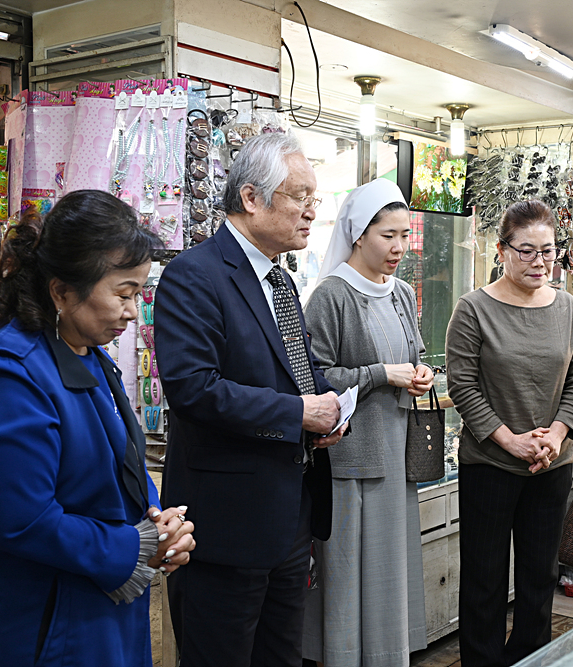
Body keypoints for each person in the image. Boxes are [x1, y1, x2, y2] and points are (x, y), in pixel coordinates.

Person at [0, 190, 195, 667]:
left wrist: (159, 524)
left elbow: (122, 465)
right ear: (61, 291)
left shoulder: (88, 355)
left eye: (137, 294)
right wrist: (135, 545)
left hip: (99, 611)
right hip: (38, 625)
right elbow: (24, 520)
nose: (132, 311)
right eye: (123, 293)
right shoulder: (10, 374)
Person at [154, 132, 347, 667]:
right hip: (225, 526)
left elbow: (300, 370)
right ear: (251, 198)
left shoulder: (280, 280)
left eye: (314, 199)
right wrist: (296, 413)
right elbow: (194, 388)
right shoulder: (195, 274)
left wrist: (330, 408)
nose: (312, 211)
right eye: (300, 196)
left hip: (290, 518)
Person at [445, 200, 573, 667]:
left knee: (539, 577)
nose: (539, 261)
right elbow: (462, 385)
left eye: (547, 251)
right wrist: (509, 439)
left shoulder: (567, 307)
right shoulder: (473, 309)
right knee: (484, 580)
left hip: (552, 463)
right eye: (526, 251)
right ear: (501, 250)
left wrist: (558, 434)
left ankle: (531, 658)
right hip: (490, 464)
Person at [301, 179, 432, 667]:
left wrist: (419, 373)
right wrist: (381, 375)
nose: (399, 248)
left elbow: (413, 352)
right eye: (388, 236)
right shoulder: (331, 295)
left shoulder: (401, 293)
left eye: (405, 235)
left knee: (389, 570)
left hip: (396, 453)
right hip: (351, 459)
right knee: (347, 574)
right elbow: (314, 377)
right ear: (358, 235)